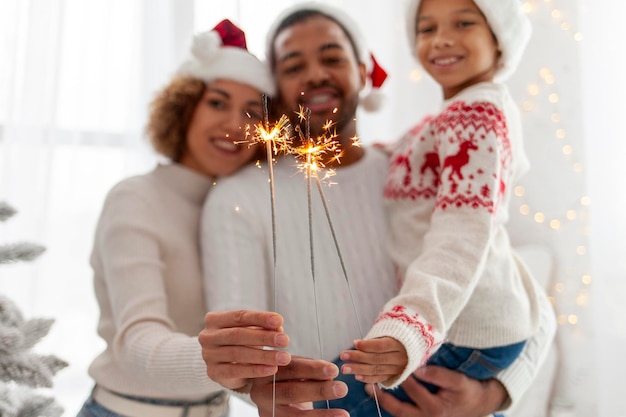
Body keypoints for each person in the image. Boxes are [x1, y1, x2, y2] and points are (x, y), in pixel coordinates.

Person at [198, 3, 556, 417]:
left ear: (365, 71)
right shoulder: (242, 198)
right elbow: (238, 356)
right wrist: (272, 395)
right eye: (294, 66)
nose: (316, 74)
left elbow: (515, 289)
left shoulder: (407, 172)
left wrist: (493, 394)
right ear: (275, 89)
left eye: (332, 57)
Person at [319, 0, 543, 415]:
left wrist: (409, 327)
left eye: (464, 23)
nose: (441, 39)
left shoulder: (475, 115)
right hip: (476, 327)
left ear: (499, 40)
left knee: (323, 402)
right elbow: (413, 151)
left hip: (463, 332)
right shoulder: (455, 117)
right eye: (426, 28)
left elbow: (461, 232)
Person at [75, 19, 276, 417]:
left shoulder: (248, 209)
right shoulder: (136, 198)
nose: (235, 125)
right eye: (217, 103)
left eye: (252, 114)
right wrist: (219, 362)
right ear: (183, 109)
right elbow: (136, 340)